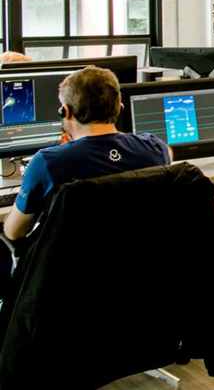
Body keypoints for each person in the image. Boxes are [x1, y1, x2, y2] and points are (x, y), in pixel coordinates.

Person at [2, 67, 171, 293]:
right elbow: (167, 155)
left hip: (72, 283)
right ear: (119, 107)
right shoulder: (155, 148)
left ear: (66, 112)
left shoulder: (48, 162)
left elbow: (14, 232)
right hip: (141, 276)